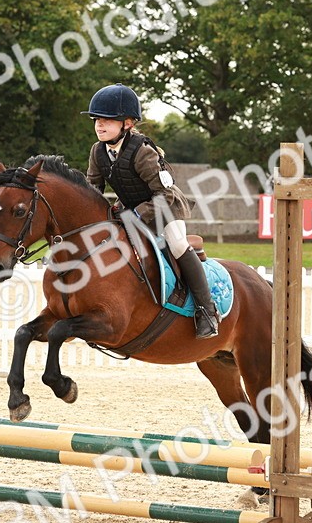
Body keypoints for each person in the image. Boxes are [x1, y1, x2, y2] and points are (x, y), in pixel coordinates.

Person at [82, 83, 219, 339]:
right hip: (129, 209)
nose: (99, 125)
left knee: (177, 245)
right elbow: (92, 189)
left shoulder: (143, 152)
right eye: (97, 120)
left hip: (166, 209)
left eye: (107, 121)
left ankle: (207, 311)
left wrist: (134, 216)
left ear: (128, 123)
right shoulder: (97, 151)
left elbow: (165, 194)